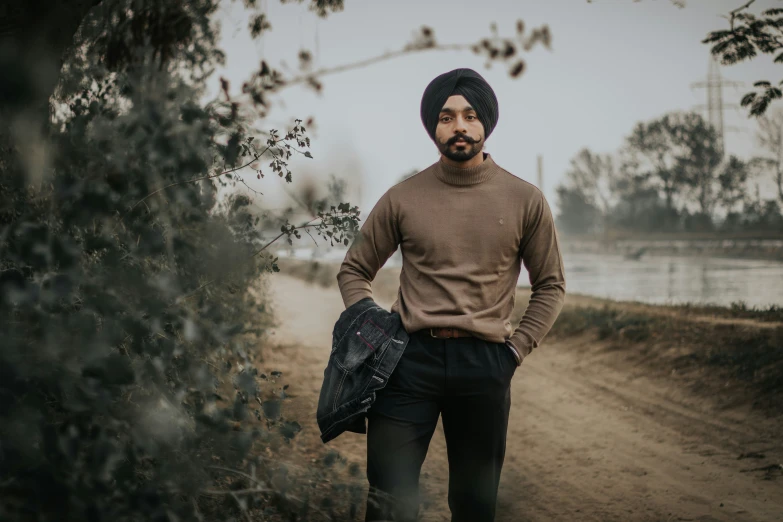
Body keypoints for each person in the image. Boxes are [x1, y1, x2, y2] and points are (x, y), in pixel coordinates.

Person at [336, 68, 566, 522]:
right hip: (405, 363)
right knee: (388, 499)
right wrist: (373, 328)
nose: (459, 126)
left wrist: (515, 351)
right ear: (433, 127)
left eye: (470, 115)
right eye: (446, 117)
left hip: (486, 365)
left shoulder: (526, 199)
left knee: (475, 504)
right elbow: (354, 269)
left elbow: (551, 285)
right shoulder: (402, 197)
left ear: (486, 124)